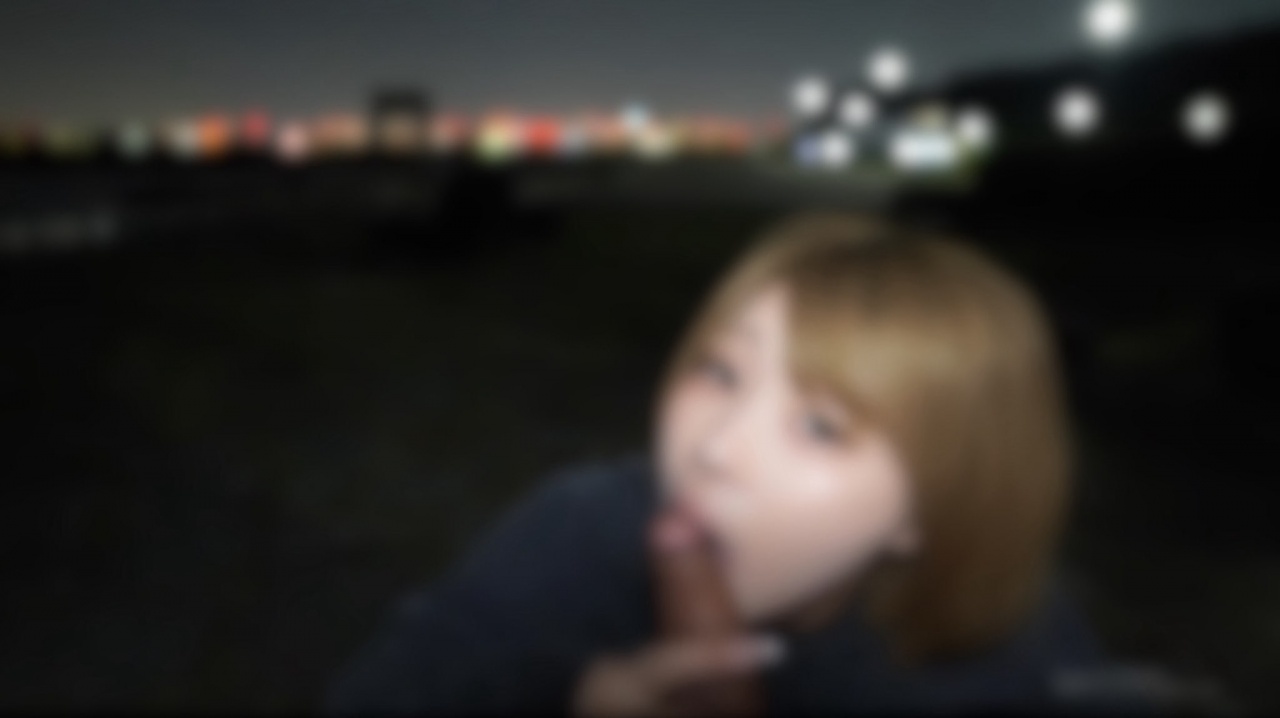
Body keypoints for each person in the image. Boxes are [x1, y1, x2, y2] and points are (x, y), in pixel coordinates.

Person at [324, 212, 1123, 714]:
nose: (713, 448)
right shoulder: (580, 530)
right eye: (720, 372)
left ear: (930, 506)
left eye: (820, 425)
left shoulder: (1012, 653)